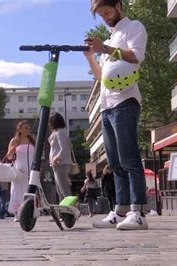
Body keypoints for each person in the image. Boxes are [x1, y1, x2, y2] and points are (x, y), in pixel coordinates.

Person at [84, 0, 149, 230]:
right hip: (106, 105)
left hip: (125, 101)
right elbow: (102, 76)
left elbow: (136, 56)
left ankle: (138, 212)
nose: (105, 17)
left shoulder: (134, 27)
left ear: (118, 5)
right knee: (114, 163)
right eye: (101, 15)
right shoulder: (109, 39)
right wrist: (91, 57)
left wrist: (106, 49)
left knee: (129, 159)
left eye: (107, 11)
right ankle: (120, 210)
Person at [5, 120, 35, 222]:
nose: (28, 130)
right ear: (20, 129)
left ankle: (29, 211)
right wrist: (12, 150)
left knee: (30, 189)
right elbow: (9, 157)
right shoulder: (14, 141)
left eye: (29, 128)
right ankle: (18, 213)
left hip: (30, 167)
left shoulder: (32, 141)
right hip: (19, 168)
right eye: (26, 128)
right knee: (17, 190)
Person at [48, 112, 72, 200]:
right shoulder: (58, 132)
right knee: (60, 190)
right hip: (57, 164)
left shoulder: (60, 133)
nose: (49, 124)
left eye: (50, 122)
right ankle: (64, 210)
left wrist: (56, 158)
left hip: (60, 164)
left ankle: (71, 209)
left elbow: (64, 148)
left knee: (64, 189)